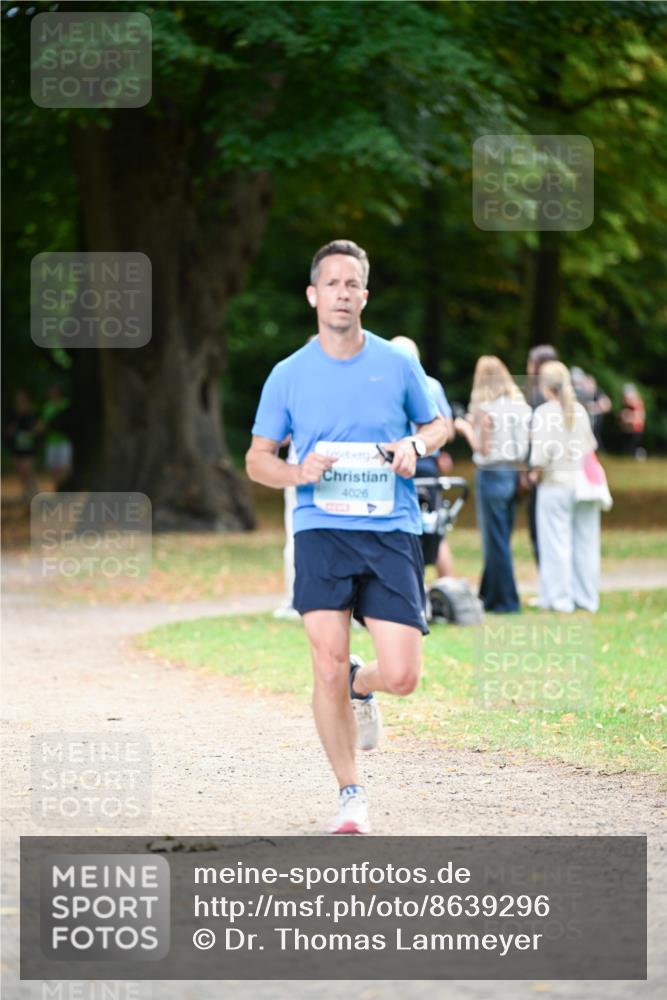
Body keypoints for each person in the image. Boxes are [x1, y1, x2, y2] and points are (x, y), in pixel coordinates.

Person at [245, 239, 448, 834]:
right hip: (321, 528)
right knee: (325, 664)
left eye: (351, 283)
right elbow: (258, 459)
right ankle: (350, 793)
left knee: (405, 675)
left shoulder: (396, 363)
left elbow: (440, 424)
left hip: (389, 528)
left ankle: (365, 683)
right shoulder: (288, 374)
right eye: (330, 283)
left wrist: (415, 445)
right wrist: (295, 472)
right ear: (313, 295)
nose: (341, 292)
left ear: (364, 294)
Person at [454, 357, 531, 614]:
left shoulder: (487, 409)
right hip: (513, 473)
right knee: (502, 537)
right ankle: (489, 593)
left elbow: (483, 450)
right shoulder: (520, 407)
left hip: (492, 473)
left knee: (495, 540)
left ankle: (506, 601)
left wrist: (465, 428)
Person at [529, 361, 603, 613]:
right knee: (586, 543)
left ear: (544, 386)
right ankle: (587, 598)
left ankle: (559, 599)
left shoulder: (543, 414)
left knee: (555, 544)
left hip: (555, 485)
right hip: (582, 485)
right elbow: (589, 448)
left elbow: (540, 457)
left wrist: (532, 476)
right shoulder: (579, 411)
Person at [390, 336, 455, 577]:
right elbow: (446, 429)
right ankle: (446, 584)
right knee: (435, 527)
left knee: (401, 528)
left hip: (399, 461)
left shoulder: (385, 385)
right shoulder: (433, 385)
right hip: (427, 461)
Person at [525, 344, 559, 564]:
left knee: (541, 530)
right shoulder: (562, 397)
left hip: (542, 472)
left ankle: (547, 582)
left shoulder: (538, 397)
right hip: (559, 471)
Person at [4, 389, 42, 502]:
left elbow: (39, 427)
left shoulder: (31, 413)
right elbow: (7, 431)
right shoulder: (13, 413)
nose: (20, 400)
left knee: (27, 469)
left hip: (28, 446)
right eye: (18, 398)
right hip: (17, 446)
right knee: (20, 470)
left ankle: (35, 491)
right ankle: (26, 492)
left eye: (22, 397)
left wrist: (32, 433)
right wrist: (11, 430)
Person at [570, 367, 611, 451]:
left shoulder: (591, 390)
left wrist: (594, 408)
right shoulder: (570, 390)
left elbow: (606, 404)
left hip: (591, 423)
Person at [41, 384, 73, 487]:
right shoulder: (47, 406)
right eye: (51, 391)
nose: (53, 394)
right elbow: (44, 423)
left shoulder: (65, 404)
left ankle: (65, 487)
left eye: (55, 391)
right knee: (53, 469)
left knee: (65, 467)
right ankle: (59, 487)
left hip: (64, 441)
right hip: (52, 441)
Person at [619, 383, 646, 459]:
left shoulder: (636, 404)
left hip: (635, 429)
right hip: (628, 429)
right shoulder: (627, 405)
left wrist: (627, 417)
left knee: (633, 448)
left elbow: (639, 416)